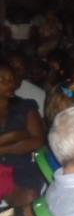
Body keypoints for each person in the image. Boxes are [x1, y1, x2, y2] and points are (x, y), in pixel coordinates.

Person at [0, 63, 45, 206]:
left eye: (11, 79)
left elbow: (37, 141)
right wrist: (14, 136)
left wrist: (3, 148)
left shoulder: (25, 107)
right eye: (2, 80)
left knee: (30, 196)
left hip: (22, 165)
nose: (10, 83)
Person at [7, 53, 46, 117]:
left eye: (20, 68)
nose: (15, 71)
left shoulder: (39, 94)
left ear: (25, 70)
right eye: (12, 66)